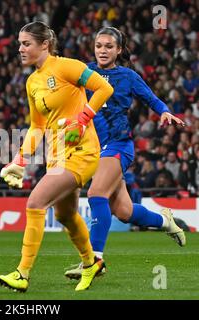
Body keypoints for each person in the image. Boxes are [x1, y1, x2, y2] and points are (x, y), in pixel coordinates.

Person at [0, 21, 114, 292]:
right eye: (19, 44)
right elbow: (37, 127)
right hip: (57, 156)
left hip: (82, 151)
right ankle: (91, 262)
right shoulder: (32, 82)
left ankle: (22, 273)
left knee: (35, 203)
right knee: (65, 214)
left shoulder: (66, 67)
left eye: (26, 43)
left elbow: (104, 89)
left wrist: (84, 118)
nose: (20, 49)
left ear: (44, 45)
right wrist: (20, 160)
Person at [64, 27, 186, 280]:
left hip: (119, 145)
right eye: (99, 46)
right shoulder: (84, 72)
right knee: (124, 212)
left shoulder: (128, 76)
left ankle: (93, 260)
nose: (103, 51)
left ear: (119, 50)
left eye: (109, 46)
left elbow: (150, 98)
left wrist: (163, 110)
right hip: (95, 148)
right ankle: (165, 221)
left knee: (96, 194)